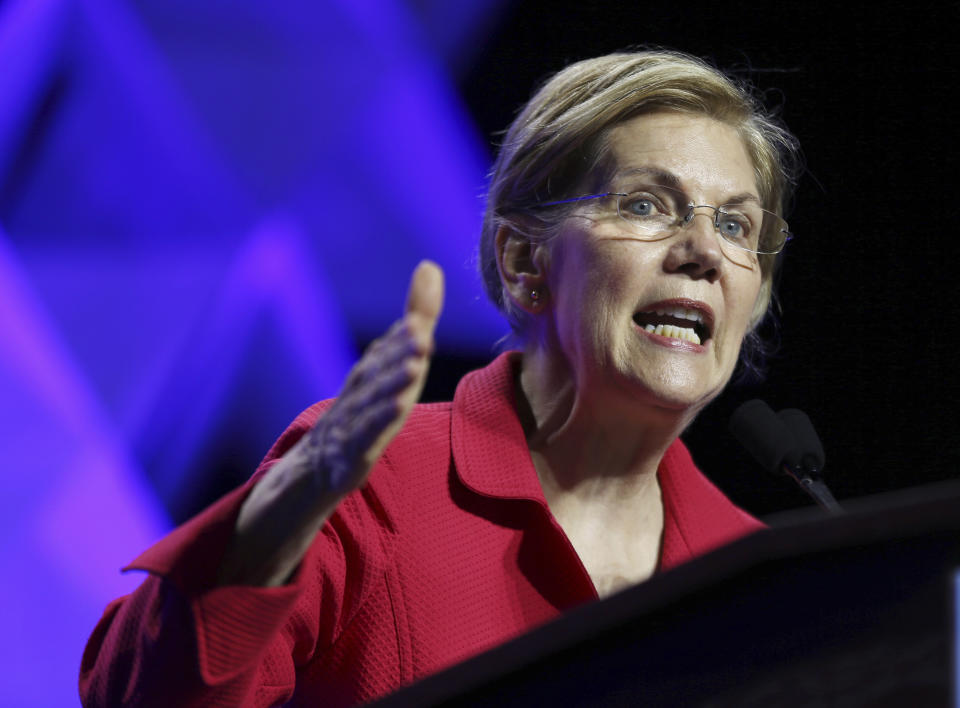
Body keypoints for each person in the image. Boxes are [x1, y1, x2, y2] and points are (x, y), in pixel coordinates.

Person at [79, 49, 799, 707]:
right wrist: (266, 537)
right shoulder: (375, 482)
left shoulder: (753, 573)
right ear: (524, 263)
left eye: (737, 227)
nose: (704, 250)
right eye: (646, 205)